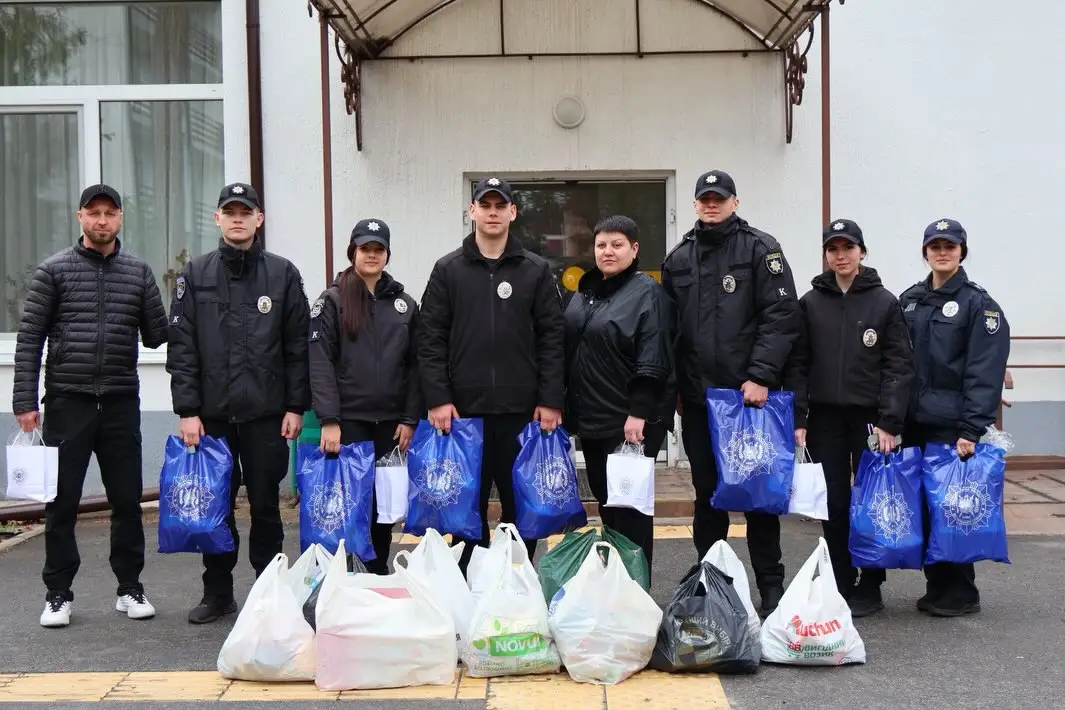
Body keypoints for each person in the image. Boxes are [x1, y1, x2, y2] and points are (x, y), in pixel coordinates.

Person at [12, 183, 168, 628]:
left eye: (110, 213)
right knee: (61, 504)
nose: (102, 220)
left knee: (127, 502)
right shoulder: (53, 271)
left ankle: (130, 588)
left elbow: (158, 335)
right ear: (80, 216)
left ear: (120, 218)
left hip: (120, 402)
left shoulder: (138, 273)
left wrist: (187, 306)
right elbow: (29, 340)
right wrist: (24, 401)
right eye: (93, 212)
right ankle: (58, 594)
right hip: (68, 402)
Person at [166, 182, 310, 624]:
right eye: (229, 212)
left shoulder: (283, 274)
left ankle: (269, 595)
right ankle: (218, 593)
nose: (237, 219)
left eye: (245, 212)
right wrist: (187, 411)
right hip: (212, 418)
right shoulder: (195, 275)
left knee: (265, 507)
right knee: (216, 507)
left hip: (267, 416)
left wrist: (295, 406)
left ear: (258, 219)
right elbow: (182, 349)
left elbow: (298, 347)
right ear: (217, 219)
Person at [661, 169, 801, 615]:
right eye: (705, 198)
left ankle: (771, 586)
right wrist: (675, 388)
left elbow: (782, 317)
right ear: (695, 204)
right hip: (700, 401)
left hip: (748, 400)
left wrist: (761, 375)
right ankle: (712, 582)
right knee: (708, 496)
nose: (711, 204)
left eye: (719, 198)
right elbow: (669, 331)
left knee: (758, 497)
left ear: (734, 203)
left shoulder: (761, 249)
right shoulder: (679, 258)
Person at [418, 177, 566, 573]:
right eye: (485, 205)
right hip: (464, 414)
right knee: (466, 510)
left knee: (523, 508)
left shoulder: (535, 269)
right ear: (472, 211)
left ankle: (516, 583)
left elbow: (553, 339)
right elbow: (430, 339)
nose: (493, 212)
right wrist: (438, 398)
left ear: (513, 213)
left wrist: (551, 399)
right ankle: (471, 586)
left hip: (523, 413)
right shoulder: (448, 269)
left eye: (501, 206)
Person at [785, 218, 914, 617]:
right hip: (825, 420)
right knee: (835, 503)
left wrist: (890, 421)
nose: (840, 256)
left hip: (871, 422)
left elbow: (898, 365)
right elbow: (798, 363)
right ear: (826, 254)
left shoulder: (884, 302)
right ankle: (840, 579)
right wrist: (800, 417)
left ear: (862, 252)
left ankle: (871, 584)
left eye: (848, 248)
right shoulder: (810, 302)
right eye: (833, 249)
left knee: (872, 502)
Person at [898, 217, 1009, 617]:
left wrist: (971, 428)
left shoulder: (979, 304)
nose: (942, 252)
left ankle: (961, 592)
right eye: (935, 246)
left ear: (962, 251)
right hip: (914, 421)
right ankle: (937, 587)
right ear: (925, 252)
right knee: (927, 507)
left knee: (954, 508)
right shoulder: (910, 299)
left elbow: (985, 370)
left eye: (950, 246)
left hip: (952, 425)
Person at [308, 218, 421, 573]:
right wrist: (329, 420)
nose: (372, 255)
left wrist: (409, 418)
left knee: (383, 505)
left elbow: (417, 366)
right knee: (347, 503)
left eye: (378, 249)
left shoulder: (405, 305)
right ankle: (342, 576)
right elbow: (320, 363)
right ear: (352, 252)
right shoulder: (332, 301)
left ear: (387, 254)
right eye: (365, 248)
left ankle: (377, 572)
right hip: (348, 423)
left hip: (390, 424)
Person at [563, 215, 674, 570]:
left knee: (631, 510)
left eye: (617, 244)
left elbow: (653, 354)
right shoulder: (587, 293)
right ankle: (616, 582)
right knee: (607, 504)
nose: (607, 251)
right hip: (593, 418)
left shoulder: (647, 292)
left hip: (629, 421)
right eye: (601, 245)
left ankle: (636, 589)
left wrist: (639, 411)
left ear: (634, 249)